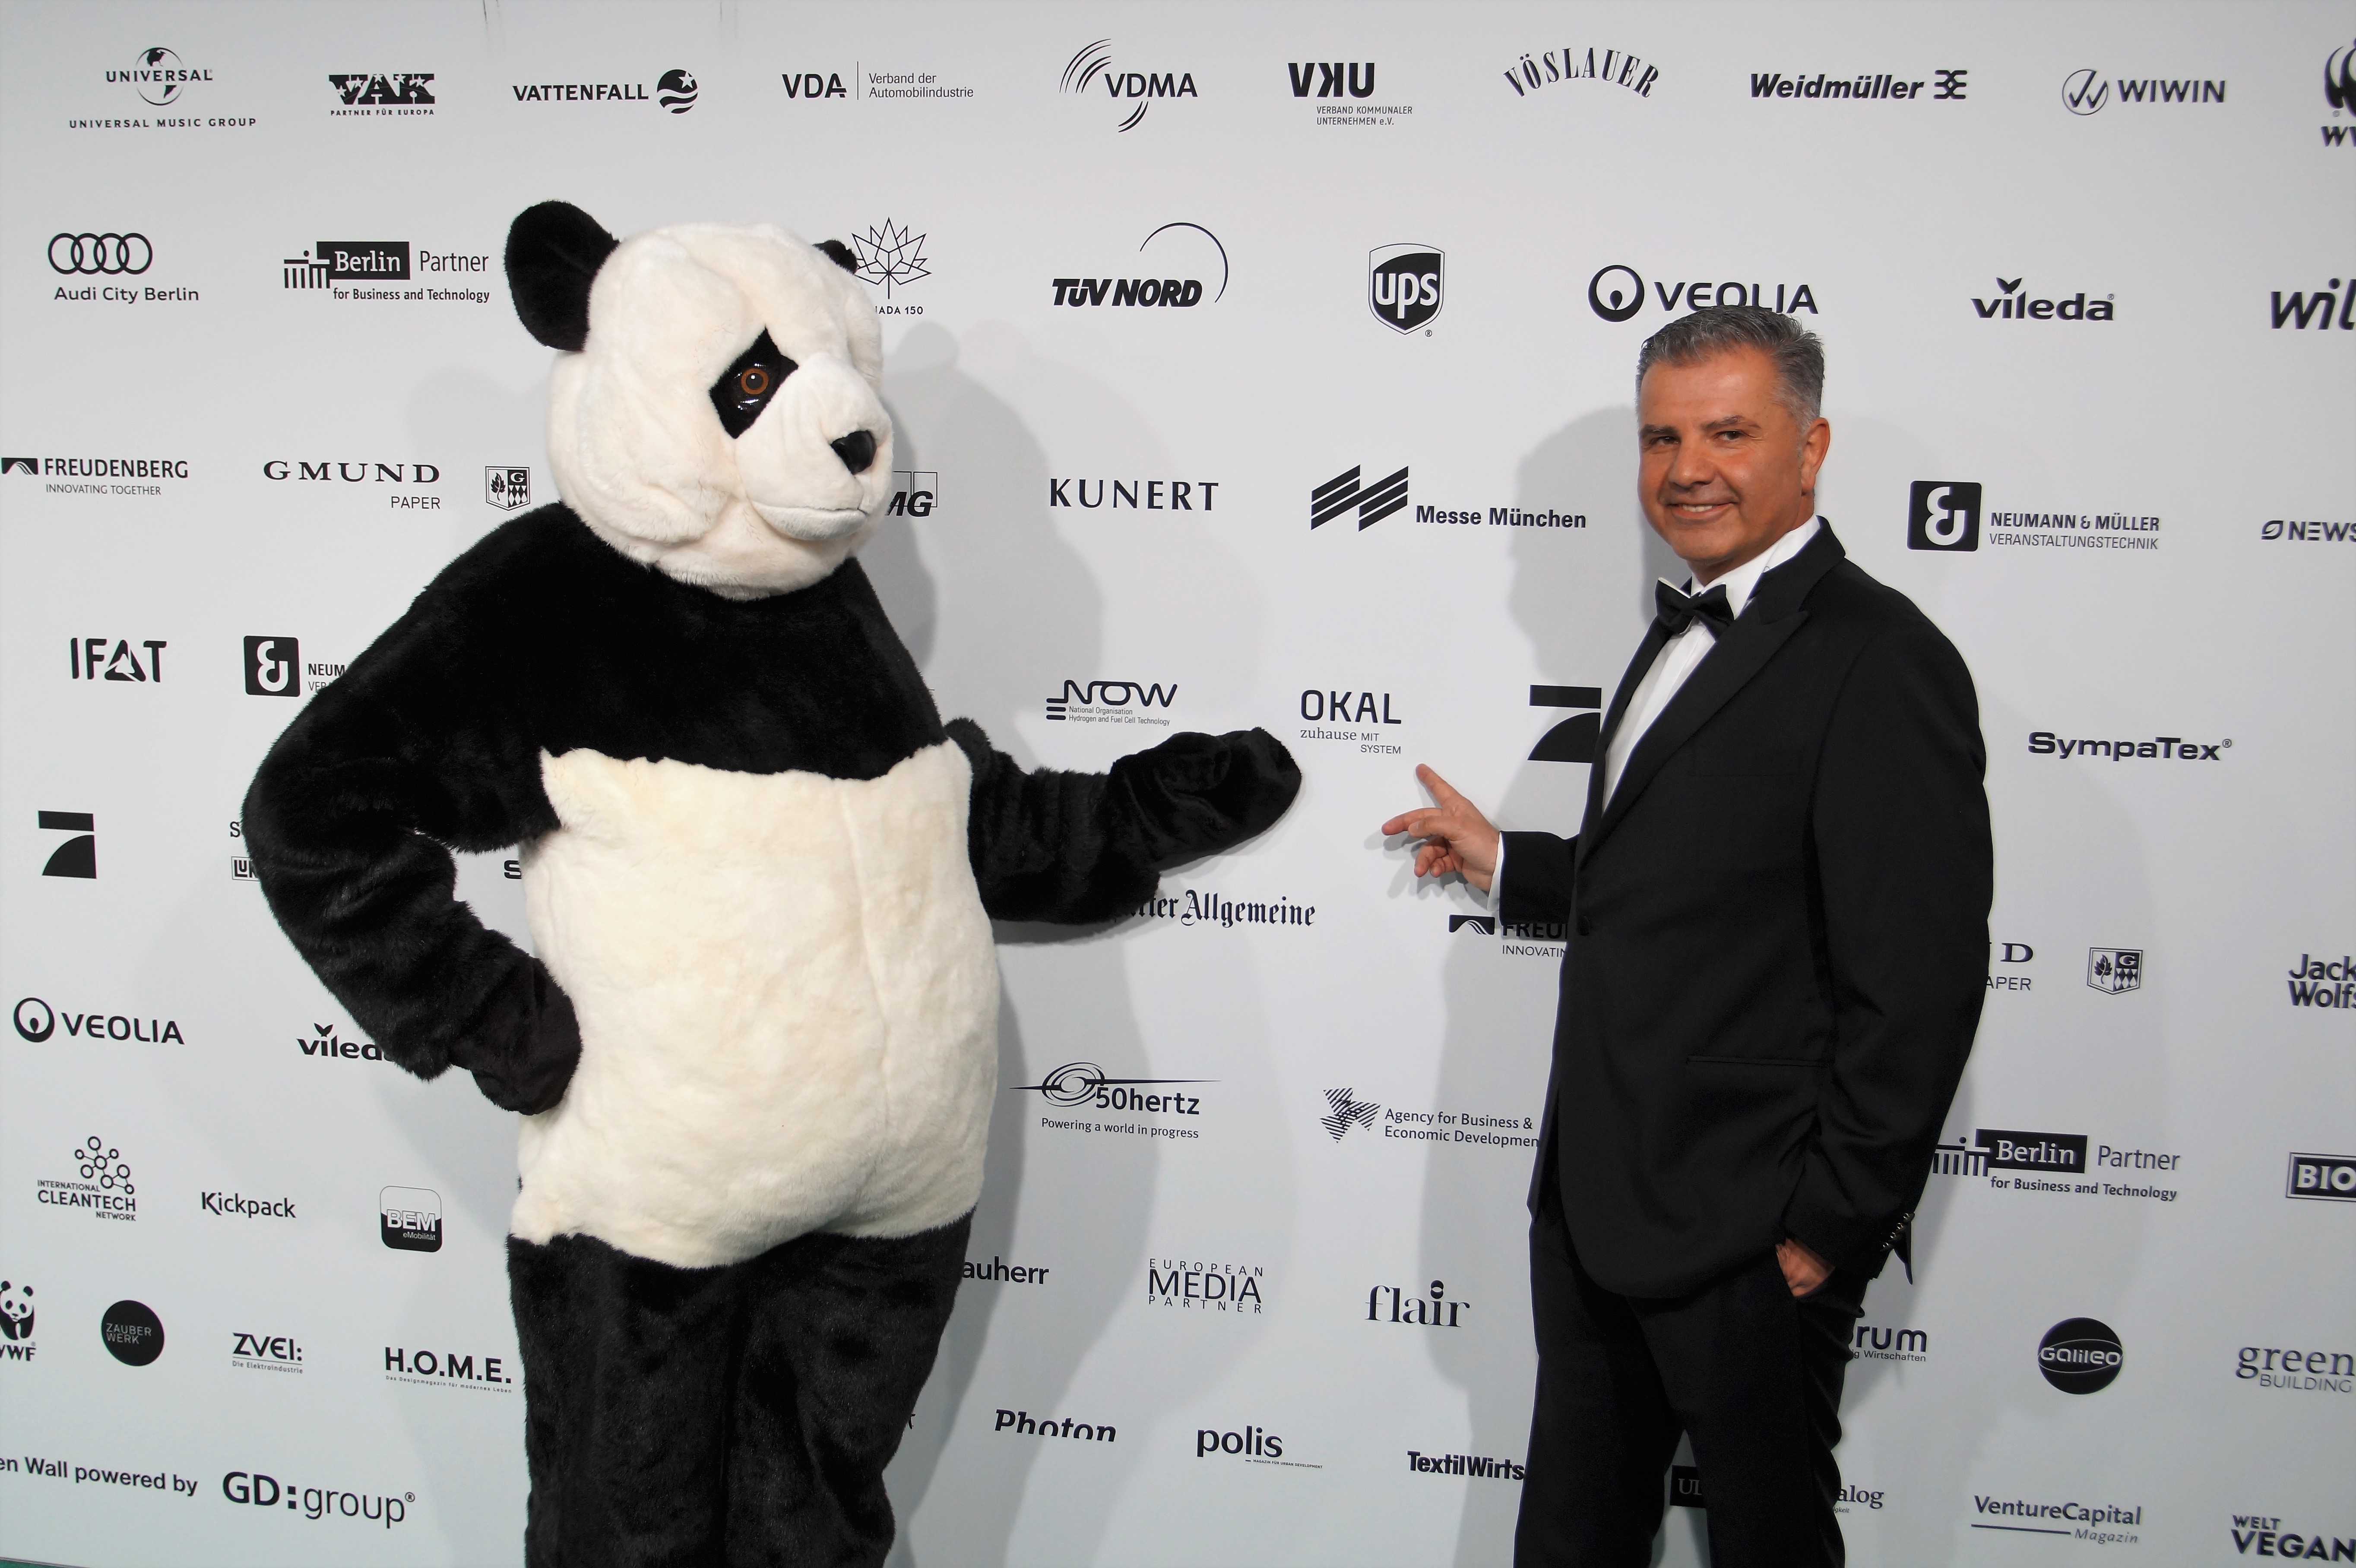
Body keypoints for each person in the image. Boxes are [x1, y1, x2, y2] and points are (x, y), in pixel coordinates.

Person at [1381, 305, 1991, 1568]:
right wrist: (1518, 866)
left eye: (1729, 432)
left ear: (1811, 447)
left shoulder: (1883, 662)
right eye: (1662, 437)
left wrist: (1828, 1225)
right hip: (1601, 1203)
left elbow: (1919, 980)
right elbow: (1696, 887)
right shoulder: (1679, 631)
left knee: (1768, 1544)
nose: (1687, 469)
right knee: (1572, 1538)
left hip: (1750, 1227)